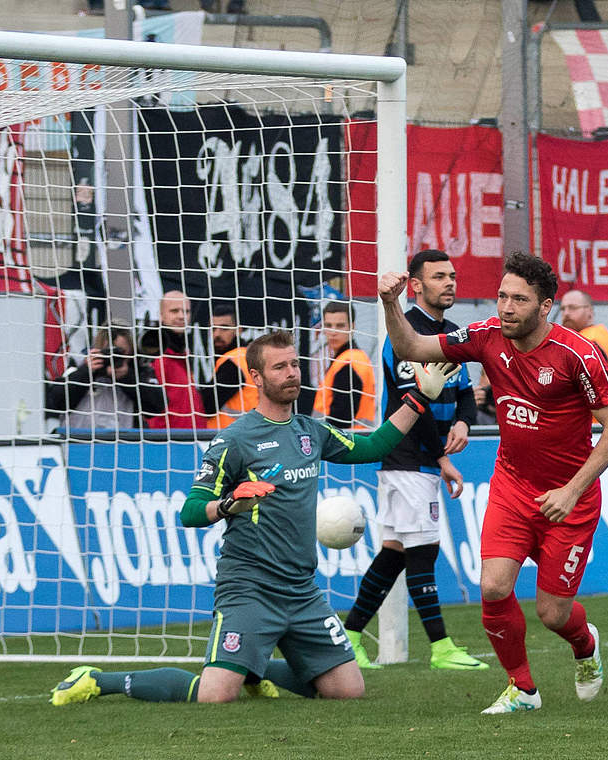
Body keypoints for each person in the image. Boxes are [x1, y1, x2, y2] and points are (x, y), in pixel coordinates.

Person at [49, 330, 461, 706]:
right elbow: (191, 511)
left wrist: (418, 399)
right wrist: (228, 505)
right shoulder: (235, 439)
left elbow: (372, 445)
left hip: (300, 589)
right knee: (215, 696)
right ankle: (99, 680)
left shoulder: (310, 431)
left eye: (295, 364)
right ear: (257, 378)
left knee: (348, 691)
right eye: (279, 367)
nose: (291, 373)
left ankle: (253, 668)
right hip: (249, 588)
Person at [377, 251, 608, 715]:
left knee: (552, 613)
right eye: (501, 296)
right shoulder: (485, 336)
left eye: (518, 299)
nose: (505, 307)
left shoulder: (579, 355)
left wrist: (571, 490)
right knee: (493, 586)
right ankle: (523, 689)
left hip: (568, 499)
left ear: (545, 305)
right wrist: (391, 303)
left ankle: (585, 644)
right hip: (512, 487)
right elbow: (411, 347)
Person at [343, 250, 486, 671]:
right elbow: (414, 403)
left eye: (453, 275)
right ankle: (441, 648)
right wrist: (441, 456)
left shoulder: (454, 335)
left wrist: (463, 422)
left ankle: (349, 637)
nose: (450, 283)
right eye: (439, 276)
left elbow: (463, 391)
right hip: (408, 457)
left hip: (420, 460)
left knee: (395, 552)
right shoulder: (404, 334)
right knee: (424, 550)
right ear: (417, 285)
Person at [45, 322, 165, 430]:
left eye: (120, 353)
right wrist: (87, 372)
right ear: (97, 350)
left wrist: (127, 378)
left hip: (122, 445)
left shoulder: (137, 375)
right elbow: (56, 402)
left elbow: (157, 406)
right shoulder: (77, 368)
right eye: (108, 352)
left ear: (130, 353)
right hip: (79, 444)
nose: (113, 358)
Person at [138, 290, 208, 429]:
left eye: (186, 311)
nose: (182, 316)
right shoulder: (156, 358)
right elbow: (154, 411)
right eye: (175, 311)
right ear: (161, 316)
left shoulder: (181, 354)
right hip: (171, 444)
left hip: (194, 441)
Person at [312, 301, 376, 430]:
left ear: (352, 327)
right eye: (329, 325)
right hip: (356, 438)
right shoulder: (349, 358)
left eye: (340, 326)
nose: (333, 332)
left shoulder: (349, 362)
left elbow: (341, 417)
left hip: (346, 441)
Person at [203, 304, 256, 429]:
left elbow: (208, 405)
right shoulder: (246, 355)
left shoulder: (233, 361)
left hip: (232, 437)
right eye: (214, 329)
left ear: (239, 330)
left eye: (224, 328)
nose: (217, 334)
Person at [558, 289, 608, 375]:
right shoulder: (584, 336)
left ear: (589, 311)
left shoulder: (591, 340)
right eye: (563, 309)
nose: (566, 313)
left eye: (573, 307)